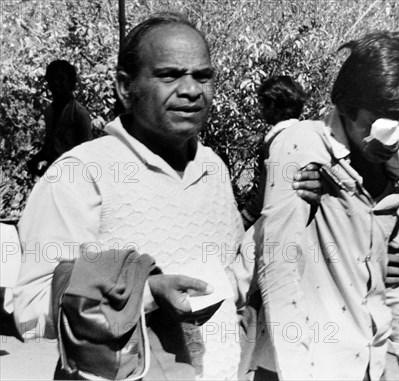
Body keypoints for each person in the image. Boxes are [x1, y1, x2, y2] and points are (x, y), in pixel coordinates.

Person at [13, 13, 319, 380]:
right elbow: (30, 310)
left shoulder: (213, 168)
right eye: (170, 75)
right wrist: (144, 293)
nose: (191, 90)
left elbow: (228, 281)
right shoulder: (80, 173)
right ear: (126, 87)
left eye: (202, 76)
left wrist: (288, 210)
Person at [251, 32, 399, 381]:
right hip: (304, 362)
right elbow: (279, 269)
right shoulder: (303, 144)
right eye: (387, 119)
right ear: (348, 105)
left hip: (367, 363)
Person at [241, 75, 307, 229]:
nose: (261, 109)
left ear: (274, 107)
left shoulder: (275, 142)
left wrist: (241, 223)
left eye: (263, 104)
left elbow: (265, 197)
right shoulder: (305, 136)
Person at [27, 60, 92, 176]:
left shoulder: (79, 113)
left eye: (61, 79)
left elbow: (87, 153)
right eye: (52, 79)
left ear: (71, 83)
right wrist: (36, 160)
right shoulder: (49, 111)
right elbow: (51, 145)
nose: (56, 83)